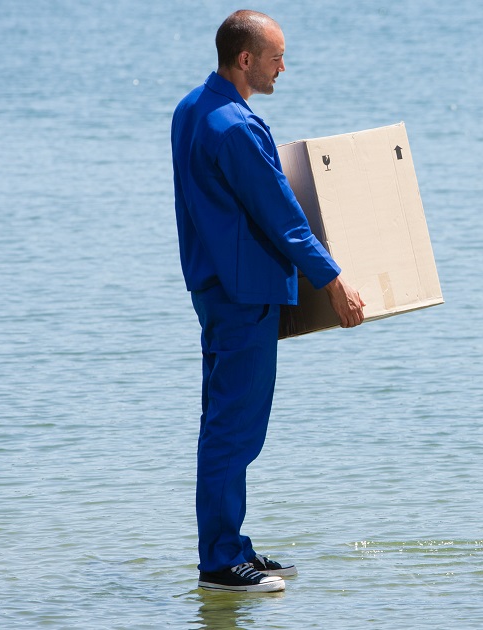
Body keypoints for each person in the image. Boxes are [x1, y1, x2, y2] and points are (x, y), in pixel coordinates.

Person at [171, 10, 366, 592]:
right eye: (277, 56)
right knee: (236, 429)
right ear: (246, 59)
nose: (286, 66)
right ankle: (221, 562)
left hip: (215, 286)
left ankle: (231, 547)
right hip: (243, 294)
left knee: (226, 423)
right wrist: (335, 283)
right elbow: (285, 220)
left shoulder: (191, 108)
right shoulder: (236, 126)